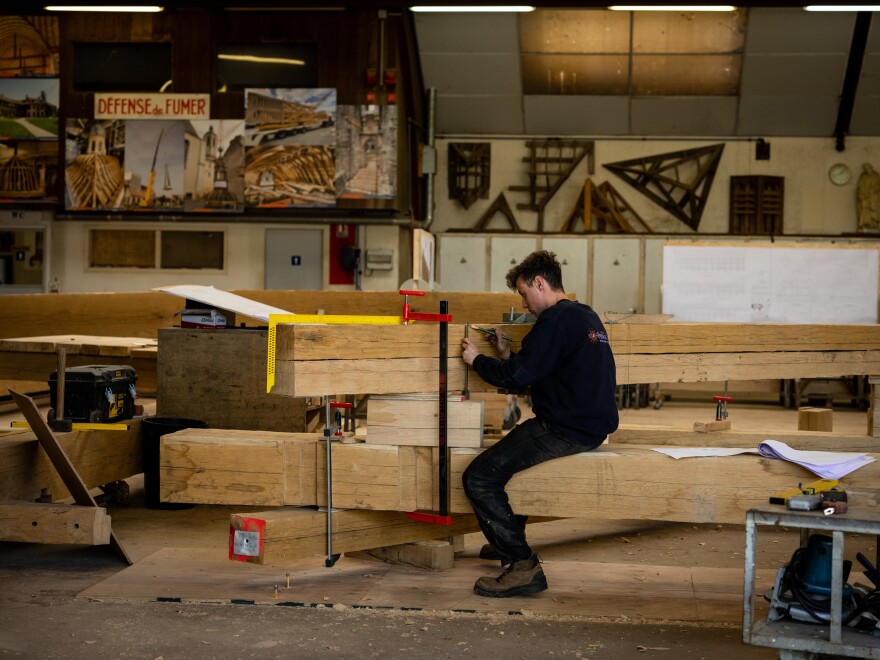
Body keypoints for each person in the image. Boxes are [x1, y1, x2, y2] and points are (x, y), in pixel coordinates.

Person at [460, 250, 619, 598]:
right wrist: (505, 354)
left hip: (565, 428)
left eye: (522, 292)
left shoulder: (553, 322)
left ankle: (521, 565)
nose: (523, 302)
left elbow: (518, 376)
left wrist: (477, 360)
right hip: (592, 425)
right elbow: (535, 371)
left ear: (539, 283)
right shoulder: (583, 315)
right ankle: (507, 540)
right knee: (511, 464)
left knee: (479, 476)